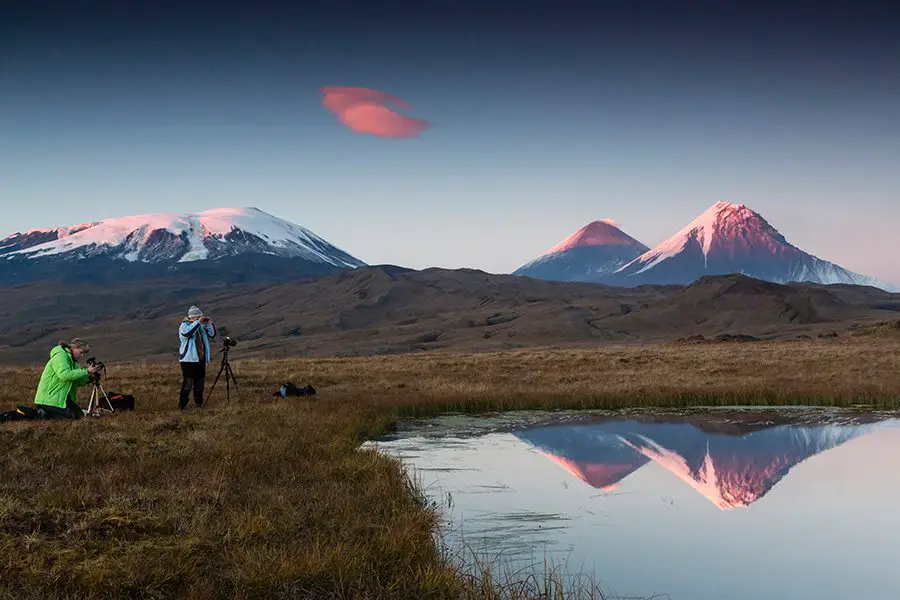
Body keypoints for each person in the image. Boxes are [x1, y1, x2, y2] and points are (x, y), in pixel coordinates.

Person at [33, 338, 102, 419]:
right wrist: (86, 371)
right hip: (49, 399)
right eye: (81, 352)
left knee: (80, 416)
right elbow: (64, 375)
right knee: (70, 416)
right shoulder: (60, 356)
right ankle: (42, 412)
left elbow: (77, 381)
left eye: (84, 353)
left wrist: (90, 377)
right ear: (74, 348)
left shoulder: (74, 362)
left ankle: (48, 412)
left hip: (62, 398)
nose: (82, 356)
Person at [178, 305, 216, 410]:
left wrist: (209, 324)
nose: (200, 318)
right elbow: (187, 334)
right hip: (188, 360)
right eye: (197, 316)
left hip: (200, 359)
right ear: (191, 317)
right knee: (188, 383)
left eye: (200, 316)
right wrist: (197, 322)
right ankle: (182, 405)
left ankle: (199, 403)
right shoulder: (184, 326)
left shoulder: (200, 326)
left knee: (200, 383)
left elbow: (212, 335)